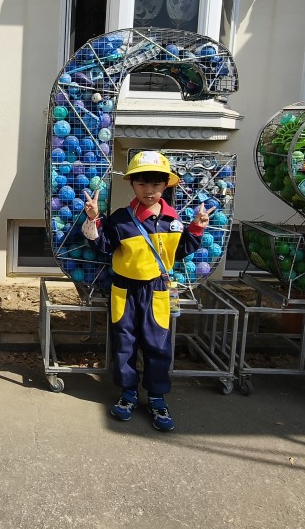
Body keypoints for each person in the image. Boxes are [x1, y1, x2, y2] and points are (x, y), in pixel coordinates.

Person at [82, 150, 210, 431]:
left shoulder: (173, 221)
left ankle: (156, 397)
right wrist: (94, 219)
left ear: (166, 185)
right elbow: (104, 246)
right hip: (124, 290)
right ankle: (127, 393)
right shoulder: (120, 219)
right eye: (142, 183)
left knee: (158, 344)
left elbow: (181, 251)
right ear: (132, 183)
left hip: (158, 290)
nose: (148, 190)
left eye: (155, 184)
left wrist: (196, 228)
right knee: (124, 342)